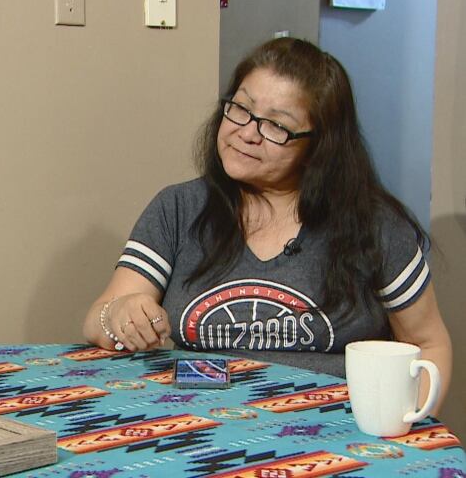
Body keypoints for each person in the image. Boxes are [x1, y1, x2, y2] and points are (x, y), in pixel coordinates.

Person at [83, 38, 452, 412]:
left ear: (319, 147)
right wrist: (118, 315)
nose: (246, 132)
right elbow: (100, 320)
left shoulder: (375, 225)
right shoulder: (178, 208)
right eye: (240, 108)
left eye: (275, 125)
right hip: (195, 428)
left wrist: (409, 427)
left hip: (333, 439)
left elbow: (429, 344)